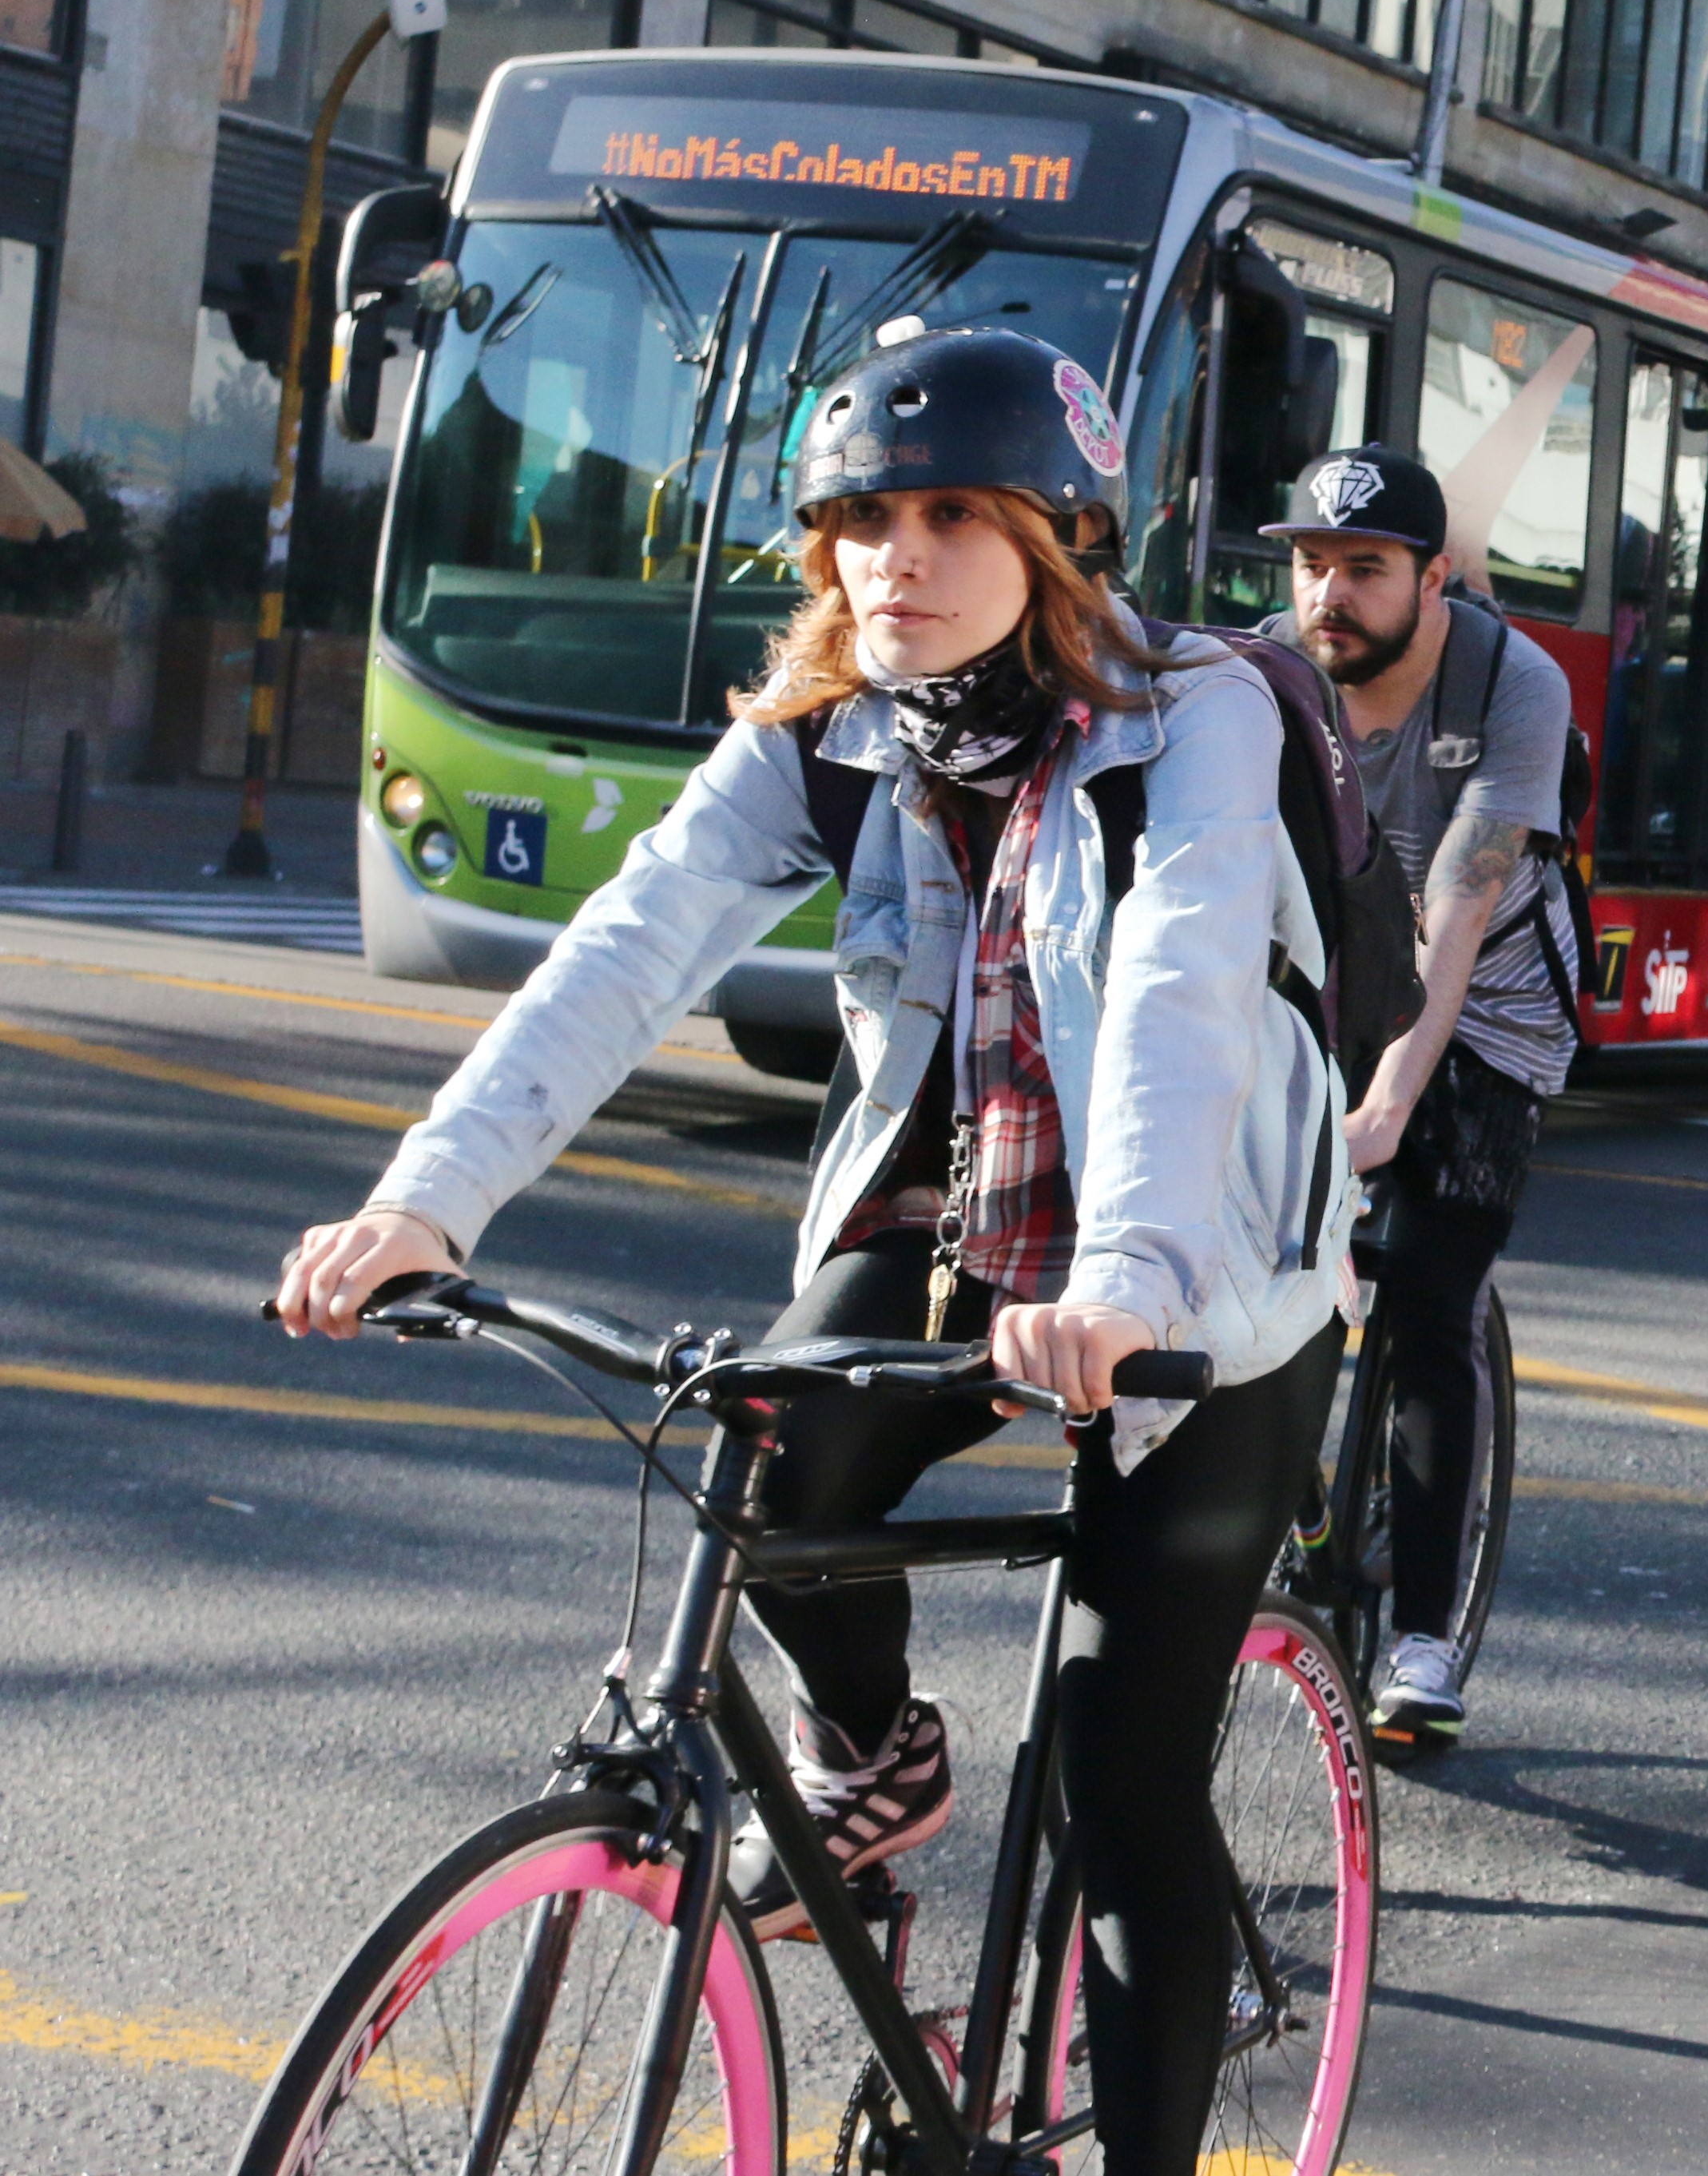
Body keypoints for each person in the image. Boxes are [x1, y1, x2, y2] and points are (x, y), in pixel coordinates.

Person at [270, 327, 1349, 2170]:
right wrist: (424, 1200)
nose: (891, 558)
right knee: (755, 1444)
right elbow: (623, 953)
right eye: (858, 517)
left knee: (1121, 1768)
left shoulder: (1194, 713)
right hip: (965, 1226)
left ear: (1057, 538)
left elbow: (1175, 988)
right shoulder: (828, 727)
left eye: (948, 515)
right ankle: (874, 1763)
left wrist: (1136, 1281)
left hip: (1207, 1282)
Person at [1260, 443, 1583, 1754]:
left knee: (1428, 1292)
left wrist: (1387, 1107)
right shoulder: (1261, 673)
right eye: (1312, 565)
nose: (1330, 593)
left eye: (1366, 570)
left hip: (1490, 1007)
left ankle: (1424, 1635)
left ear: (1432, 578)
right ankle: (1283, 1519)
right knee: (1261, 1269)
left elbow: (1459, 903)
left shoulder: (1512, 682)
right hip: (1329, 978)